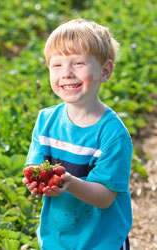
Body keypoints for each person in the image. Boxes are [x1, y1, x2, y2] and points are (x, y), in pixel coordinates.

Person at [23, 18, 133, 250]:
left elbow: (104, 197)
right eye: (57, 65)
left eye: (78, 63)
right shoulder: (45, 121)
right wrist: (35, 181)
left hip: (102, 240)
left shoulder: (113, 134)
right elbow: (35, 165)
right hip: (57, 237)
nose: (67, 73)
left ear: (105, 71)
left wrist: (69, 182)